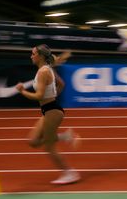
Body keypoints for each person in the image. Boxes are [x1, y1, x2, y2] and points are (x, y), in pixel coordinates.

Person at [16, 45, 80, 184]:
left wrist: (22, 91)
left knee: (49, 147)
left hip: (52, 111)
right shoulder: (47, 69)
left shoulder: (43, 72)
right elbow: (61, 84)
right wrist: (51, 96)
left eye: (33, 54)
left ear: (40, 56)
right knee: (33, 141)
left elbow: (39, 95)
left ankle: (70, 173)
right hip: (50, 109)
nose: (31, 56)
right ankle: (65, 136)